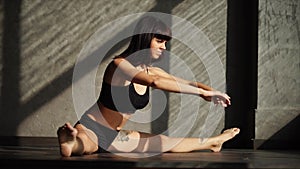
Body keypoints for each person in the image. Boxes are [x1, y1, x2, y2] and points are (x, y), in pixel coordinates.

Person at [57, 15, 240, 157]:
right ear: (145, 39)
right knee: (85, 145)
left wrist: (211, 92)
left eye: (165, 43)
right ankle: (70, 143)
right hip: (92, 128)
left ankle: (215, 141)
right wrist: (201, 93)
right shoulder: (119, 65)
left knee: (164, 143)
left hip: (115, 136)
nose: (164, 48)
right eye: (159, 41)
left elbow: (188, 83)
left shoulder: (152, 71)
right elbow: (156, 83)